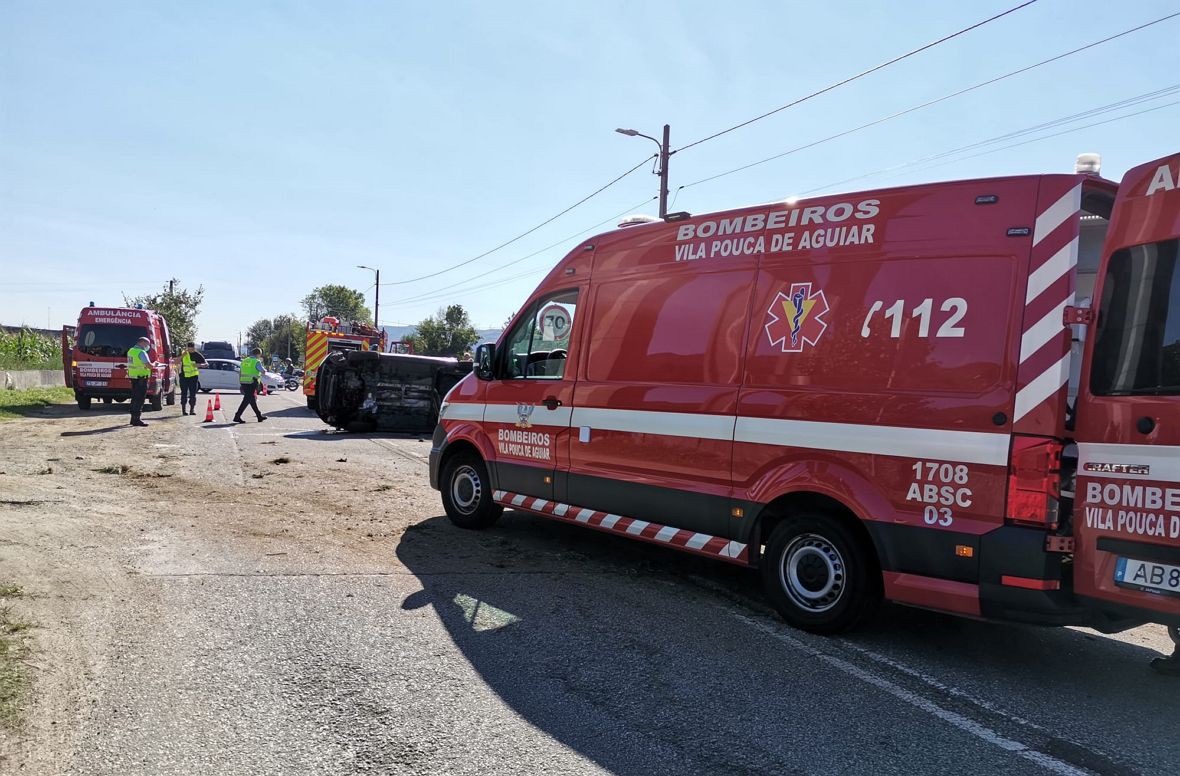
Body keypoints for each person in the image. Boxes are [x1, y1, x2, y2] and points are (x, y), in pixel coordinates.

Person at [233, 347, 268, 424]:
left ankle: (259, 416)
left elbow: (241, 371)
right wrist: (265, 370)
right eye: (260, 354)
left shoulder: (245, 360)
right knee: (246, 400)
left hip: (244, 382)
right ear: (258, 354)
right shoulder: (256, 361)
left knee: (251, 400)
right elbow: (262, 371)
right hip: (252, 382)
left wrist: (241, 382)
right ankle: (237, 416)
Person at [126, 335, 153, 427]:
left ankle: (133, 418)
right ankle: (136, 419)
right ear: (142, 342)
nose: (148, 346)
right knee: (140, 399)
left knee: (134, 398)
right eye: (147, 344)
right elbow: (148, 365)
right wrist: (155, 364)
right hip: (141, 378)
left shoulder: (131, 351)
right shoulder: (141, 352)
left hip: (133, 377)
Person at [175, 342, 207, 416]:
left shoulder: (197, 355)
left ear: (194, 348)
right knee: (184, 394)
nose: (190, 350)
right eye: (188, 348)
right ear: (187, 347)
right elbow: (176, 361)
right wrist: (182, 356)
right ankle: (183, 410)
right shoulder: (183, 353)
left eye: (191, 349)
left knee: (193, 394)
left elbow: (206, 364)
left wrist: (199, 365)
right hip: (183, 376)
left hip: (193, 377)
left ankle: (192, 410)